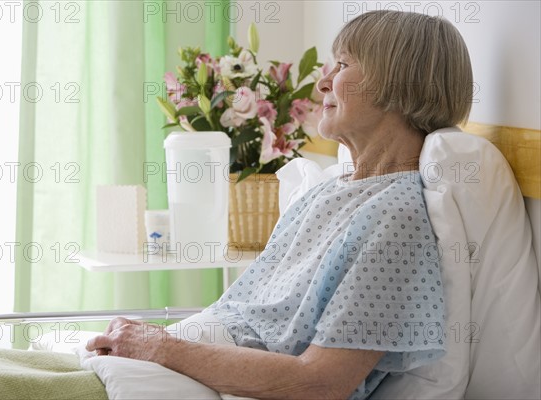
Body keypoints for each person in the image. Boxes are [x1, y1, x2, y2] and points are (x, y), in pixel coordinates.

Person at [86, 10, 473, 400]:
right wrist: (153, 343)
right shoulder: (331, 191)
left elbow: (321, 382)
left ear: (397, 83)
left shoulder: (396, 220)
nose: (322, 82)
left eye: (341, 65)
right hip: (194, 361)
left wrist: (159, 347)